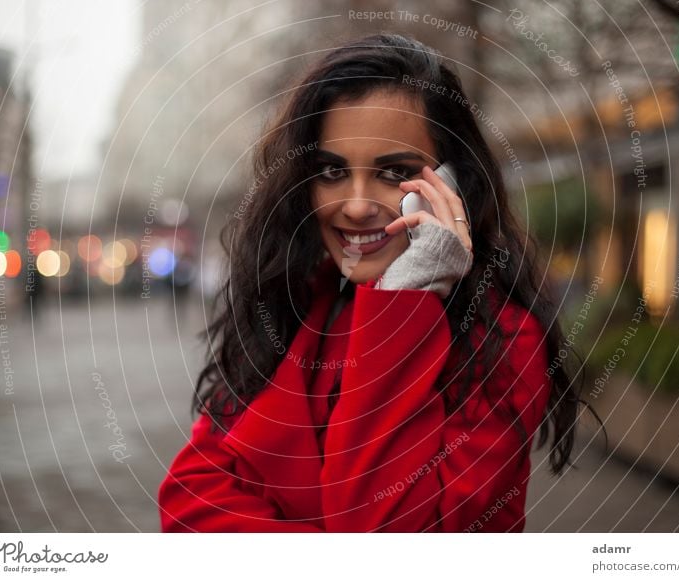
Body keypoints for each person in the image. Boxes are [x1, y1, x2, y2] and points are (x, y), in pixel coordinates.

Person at [158, 33, 580, 532]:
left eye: (394, 172)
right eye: (332, 171)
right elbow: (187, 503)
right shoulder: (296, 306)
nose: (356, 206)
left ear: (452, 182)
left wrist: (405, 298)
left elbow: (383, 527)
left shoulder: (503, 340)